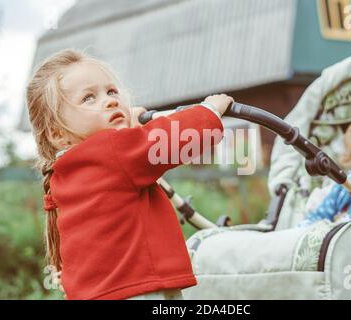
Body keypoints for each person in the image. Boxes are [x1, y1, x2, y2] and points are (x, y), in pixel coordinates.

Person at [26, 48, 233, 299]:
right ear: (57, 133)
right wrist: (210, 111)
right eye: (88, 98)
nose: (110, 100)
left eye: (111, 91)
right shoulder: (113, 151)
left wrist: (128, 127)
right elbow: (173, 140)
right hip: (139, 290)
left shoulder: (65, 173)